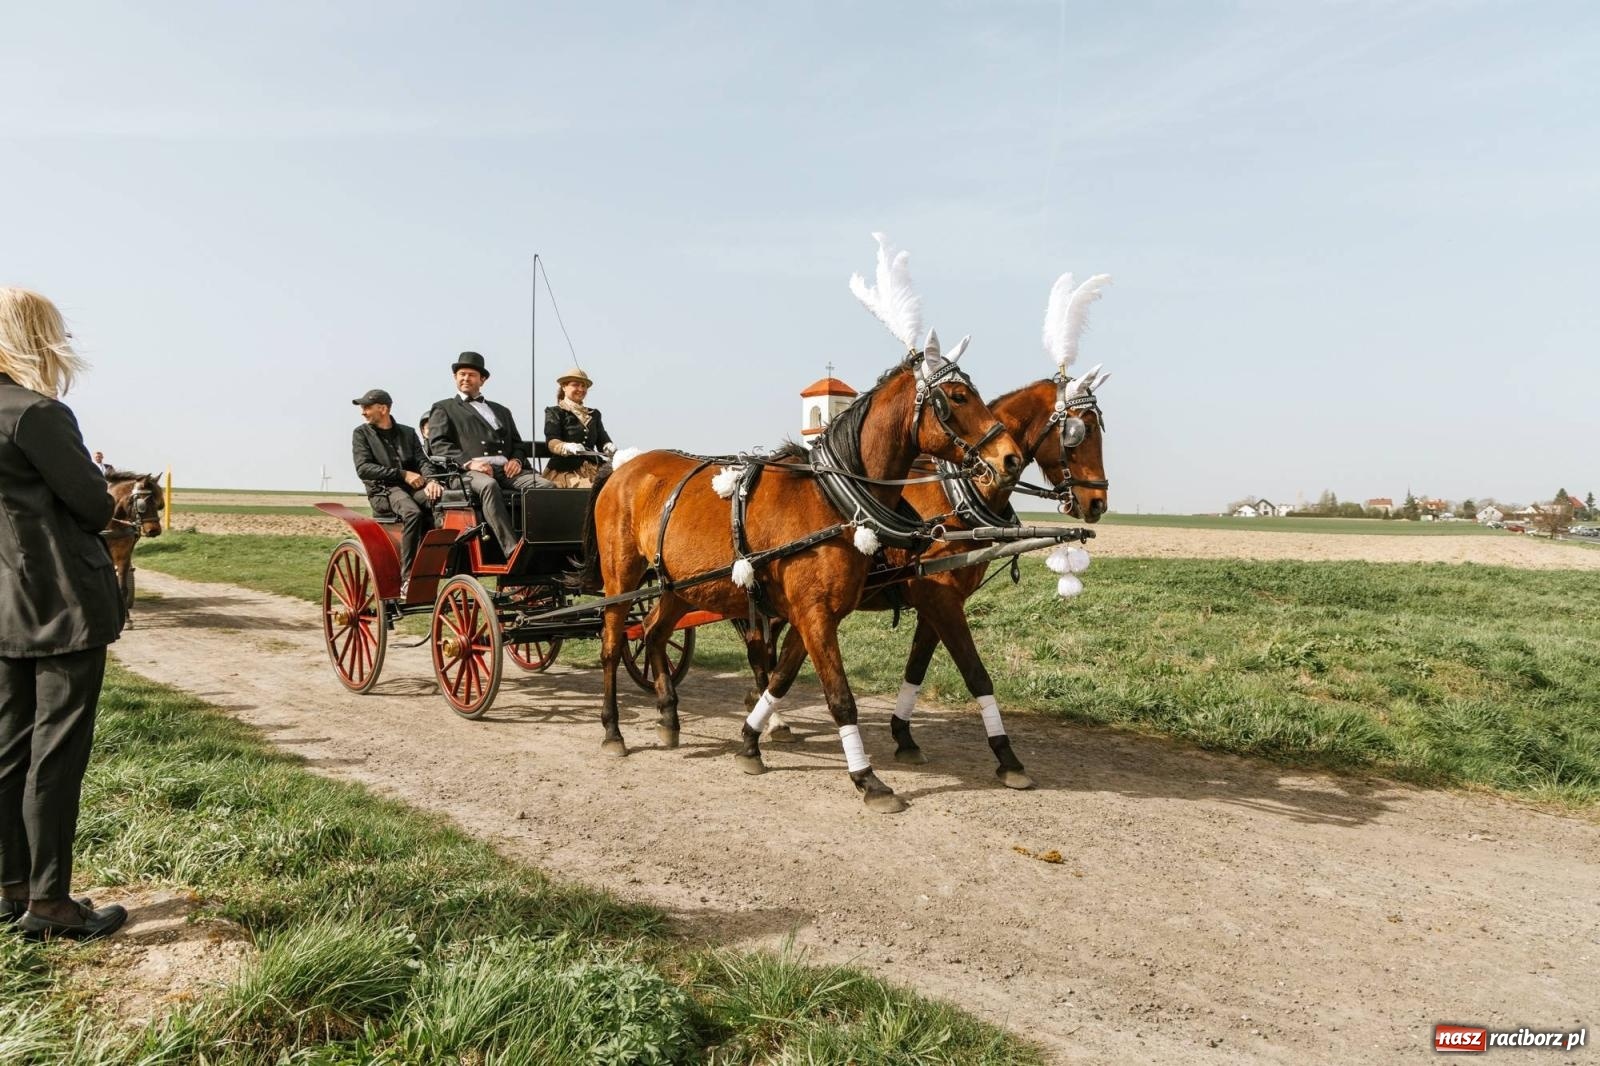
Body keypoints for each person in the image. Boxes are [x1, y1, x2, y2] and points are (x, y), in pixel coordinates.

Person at [0, 288, 127, 941]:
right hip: (63, 605)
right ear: (36, 338)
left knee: (8, 748)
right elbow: (94, 505)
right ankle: (50, 903)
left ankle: (11, 886)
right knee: (56, 752)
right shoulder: (38, 413)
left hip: (5, 605)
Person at [427, 352, 549, 553]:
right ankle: (512, 549)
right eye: (462, 374)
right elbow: (439, 444)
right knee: (489, 486)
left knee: (546, 486)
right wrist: (470, 463)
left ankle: (541, 543)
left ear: (482, 380)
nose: (466, 378)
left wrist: (516, 460)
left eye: (471, 375)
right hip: (466, 473)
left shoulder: (501, 410)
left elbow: (518, 444)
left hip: (506, 470)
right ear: (455, 377)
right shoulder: (444, 408)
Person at [351, 388, 441, 590]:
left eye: (367, 407)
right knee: (412, 513)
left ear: (383, 409)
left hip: (411, 488)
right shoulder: (361, 434)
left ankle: (439, 558)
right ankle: (408, 577)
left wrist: (432, 481)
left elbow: (422, 461)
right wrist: (403, 474)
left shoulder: (407, 433)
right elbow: (363, 468)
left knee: (442, 501)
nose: (363, 412)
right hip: (384, 490)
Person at [543, 367, 616, 489]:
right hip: (566, 470)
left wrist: (607, 446)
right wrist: (566, 447)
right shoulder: (554, 412)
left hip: (594, 467)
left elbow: (602, 439)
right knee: (590, 489)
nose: (581, 389)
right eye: (575, 385)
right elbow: (551, 441)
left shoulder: (594, 414)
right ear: (564, 387)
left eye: (584, 386)